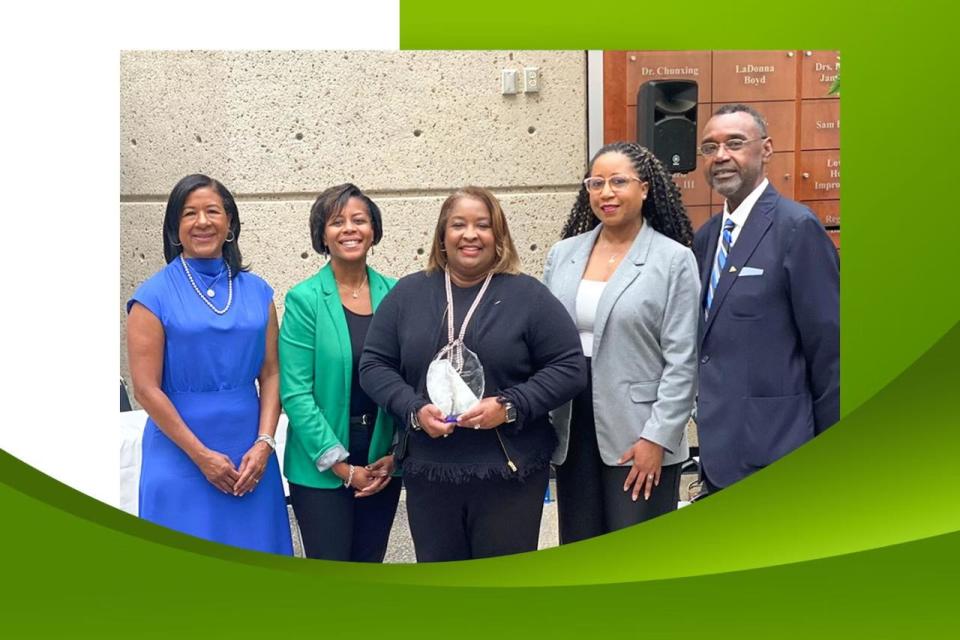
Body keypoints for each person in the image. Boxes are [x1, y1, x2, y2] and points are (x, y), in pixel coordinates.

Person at [359, 186, 586, 562]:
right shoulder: (407, 294)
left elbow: (570, 367)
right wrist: (414, 409)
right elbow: (374, 365)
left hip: (509, 474)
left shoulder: (528, 296)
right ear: (442, 236)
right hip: (430, 473)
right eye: (458, 225)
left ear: (498, 236)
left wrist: (511, 405)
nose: (470, 234)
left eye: (483, 225)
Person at [126, 174, 293, 555]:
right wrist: (201, 456)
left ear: (230, 223)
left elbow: (271, 373)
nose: (202, 221)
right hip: (179, 454)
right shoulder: (152, 296)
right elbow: (145, 389)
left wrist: (265, 443)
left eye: (212, 211)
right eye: (190, 213)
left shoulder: (258, 291)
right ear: (175, 227)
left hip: (251, 456)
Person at [545, 142, 700, 544]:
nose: (606, 193)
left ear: (645, 188)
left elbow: (684, 359)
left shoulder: (673, 259)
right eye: (596, 183)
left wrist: (658, 438)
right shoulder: (563, 254)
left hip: (639, 431)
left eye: (618, 181)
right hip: (571, 422)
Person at [692, 104, 840, 493]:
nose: (721, 156)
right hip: (718, 454)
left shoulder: (796, 229)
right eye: (709, 148)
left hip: (779, 450)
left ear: (767, 150)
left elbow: (831, 352)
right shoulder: (707, 238)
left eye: (735, 143)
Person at [279, 183, 400, 562]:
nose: (349, 229)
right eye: (337, 222)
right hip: (321, 462)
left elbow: (409, 382)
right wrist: (342, 467)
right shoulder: (305, 299)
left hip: (381, 459)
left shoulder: (397, 294)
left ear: (374, 231)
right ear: (323, 236)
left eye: (359, 220)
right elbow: (295, 393)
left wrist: (397, 454)